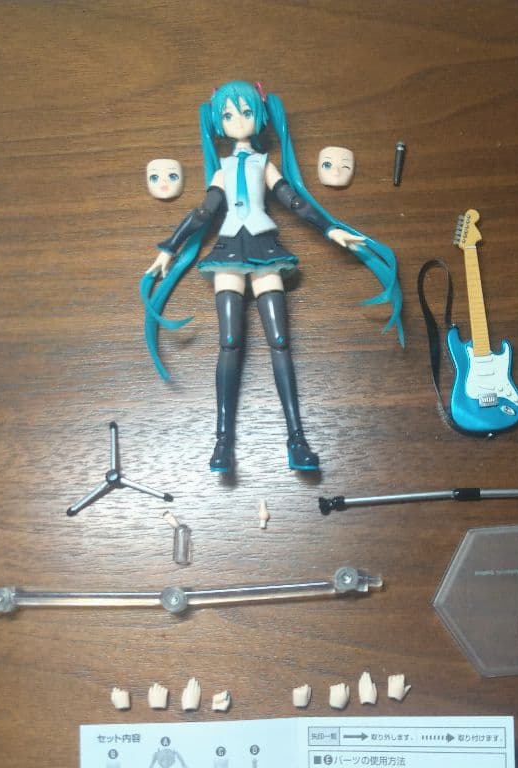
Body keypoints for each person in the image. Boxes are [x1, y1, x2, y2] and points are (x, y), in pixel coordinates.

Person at [142, 80, 403, 474]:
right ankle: (222, 442)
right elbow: (203, 212)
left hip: (265, 249)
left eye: (246, 112)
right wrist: (169, 248)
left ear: (260, 115)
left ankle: (297, 439)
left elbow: (293, 200)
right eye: (228, 114)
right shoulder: (223, 169)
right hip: (228, 252)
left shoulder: (264, 164)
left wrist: (330, 228)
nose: (238, 120)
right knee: (229, 342)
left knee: (280, 342)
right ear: (217, 122)